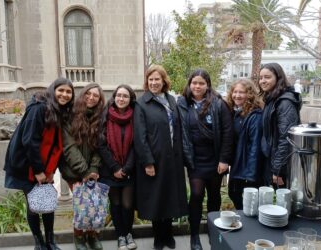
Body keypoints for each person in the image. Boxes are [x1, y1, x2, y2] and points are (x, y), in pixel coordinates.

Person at [4, 77, 74, 250]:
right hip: (28, 165)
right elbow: (30, 141)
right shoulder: (39, 108)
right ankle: (39, 243)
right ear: (53, 90)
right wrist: (38, 170)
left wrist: (49, 170)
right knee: (34, 204)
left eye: (68, 92)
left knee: (48, 202)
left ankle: (50, 242)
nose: (64, 95)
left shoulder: (58, 111)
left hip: (44, 166)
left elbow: (54, 145)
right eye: (61, 90)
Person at [134, 64, 188, 250]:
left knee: (171, 197)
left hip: (173, 159)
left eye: (157, 79)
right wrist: (148, 161)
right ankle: (159, 237)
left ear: (164, 81)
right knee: (157, 199)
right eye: (151, 79)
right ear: (147, 82)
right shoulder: (142, 103)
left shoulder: (171, 100)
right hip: (155, 160)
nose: (154, 82)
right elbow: (140, 137)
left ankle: (169, 234)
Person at [177, 69, 233, 250]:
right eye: (194, 83)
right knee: (196, 195)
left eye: (201, 83)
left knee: (214, 196)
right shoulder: (183, 103)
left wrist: (224, 159)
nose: (197, 86)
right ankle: (194, 236)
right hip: (195, 160)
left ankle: (212, 231)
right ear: (189, 84)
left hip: (215, 159)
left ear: (207, 85)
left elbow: (227, 133)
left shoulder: (218, 104)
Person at [60, 83, 105, 250]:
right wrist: (84, 171)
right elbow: (69, 147)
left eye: (96, 96)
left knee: (94, 202)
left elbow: (100, 146)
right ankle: (79, 238)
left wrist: (93, 168)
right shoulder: (69, 115)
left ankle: (93, 236)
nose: (91, 98)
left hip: (92, 170)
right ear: (83, 94)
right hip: (73, 170)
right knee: (81, 203)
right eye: (88, 94)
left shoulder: (100, 118)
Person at [98, 84, 137, 250]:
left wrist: (127, 168)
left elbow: (137, 145)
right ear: (114, 97)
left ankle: (129, 234)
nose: (121, 99)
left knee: (128, 204)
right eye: (119, 95)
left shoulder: (135, 116)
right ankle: (120, 236)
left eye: (125, 96)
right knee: (116, 204)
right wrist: (114, 167)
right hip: (109, 169)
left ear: (130, 99)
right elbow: (101, 145)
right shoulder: (105, 116)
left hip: (129, 169)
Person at [259, 63, 302, 188]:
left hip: (281, 166)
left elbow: (286, 138)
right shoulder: (272, 99)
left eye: (267, 77)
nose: (262, 81)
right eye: (261, 78)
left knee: (282, 201)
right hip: (272, 161)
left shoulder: (284, 103)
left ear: (278, 78)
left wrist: (277, 169)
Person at [226, 79, 264, 209]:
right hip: (238, 162)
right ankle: (244, 217)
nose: (237, 95)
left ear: (250, 94)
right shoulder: (235, 112)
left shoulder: (255, 115)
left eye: (241, 92)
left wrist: (251, 174)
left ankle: (248, 222)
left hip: (248, 165)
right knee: (233, 193)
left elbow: (255, 146)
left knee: (247, 198)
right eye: (235, 92)